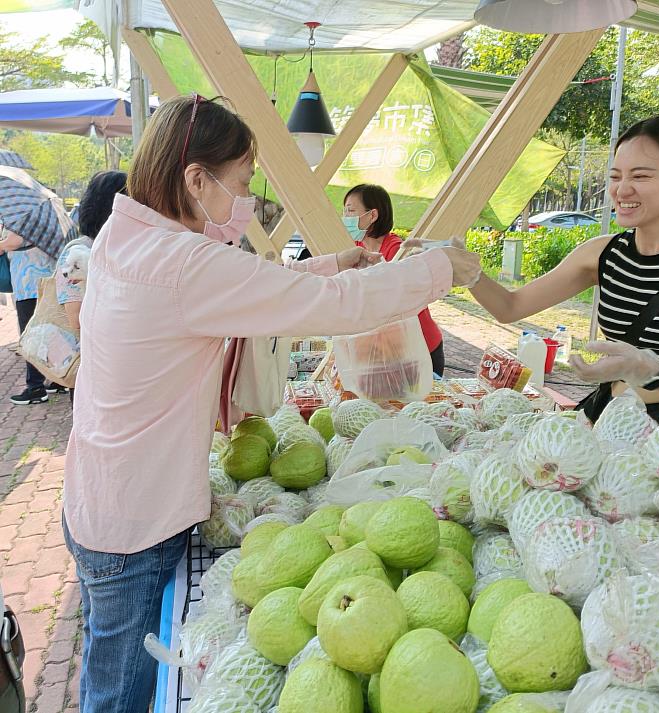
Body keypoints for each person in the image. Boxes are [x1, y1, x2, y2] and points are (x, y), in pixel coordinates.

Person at [61, 94, 480, 713]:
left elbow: (257, 291)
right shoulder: (180, 263)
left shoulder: (130, 238)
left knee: (107, 664)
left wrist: (337, 263)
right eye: (241, 181)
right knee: (120, 692)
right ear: (195, 178)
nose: (248, 197)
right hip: (135, 518)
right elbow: (332, 307)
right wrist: (439, 267)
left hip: (101, 497)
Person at [463, 115, 659, 428]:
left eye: (640, 177)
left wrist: (649, 372)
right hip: (613, 424)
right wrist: (469, 274)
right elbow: (511, 307)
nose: (622, 190)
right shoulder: (603, 252)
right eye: (616, 176)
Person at [343, 184, 446, 376]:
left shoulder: (397, 251)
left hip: (420, 348)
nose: (345, 218)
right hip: (388, 350)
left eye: (350, 211)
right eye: (344, 211)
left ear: (372, 215)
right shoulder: (355, 247)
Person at [55, 170, 127, 404]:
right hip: (92, 370)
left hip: (117, 366)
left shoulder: (117, 249)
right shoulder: (77, 253)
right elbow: (76, 320)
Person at [0, 224, 59, 405]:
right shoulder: (46, 217)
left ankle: (36, 387)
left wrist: (2, 245)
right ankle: (59, 379)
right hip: (48, 279)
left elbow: (14, 241)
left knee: (30, 337)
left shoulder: (22, 219)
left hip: (28, 283)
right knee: (52, 332)